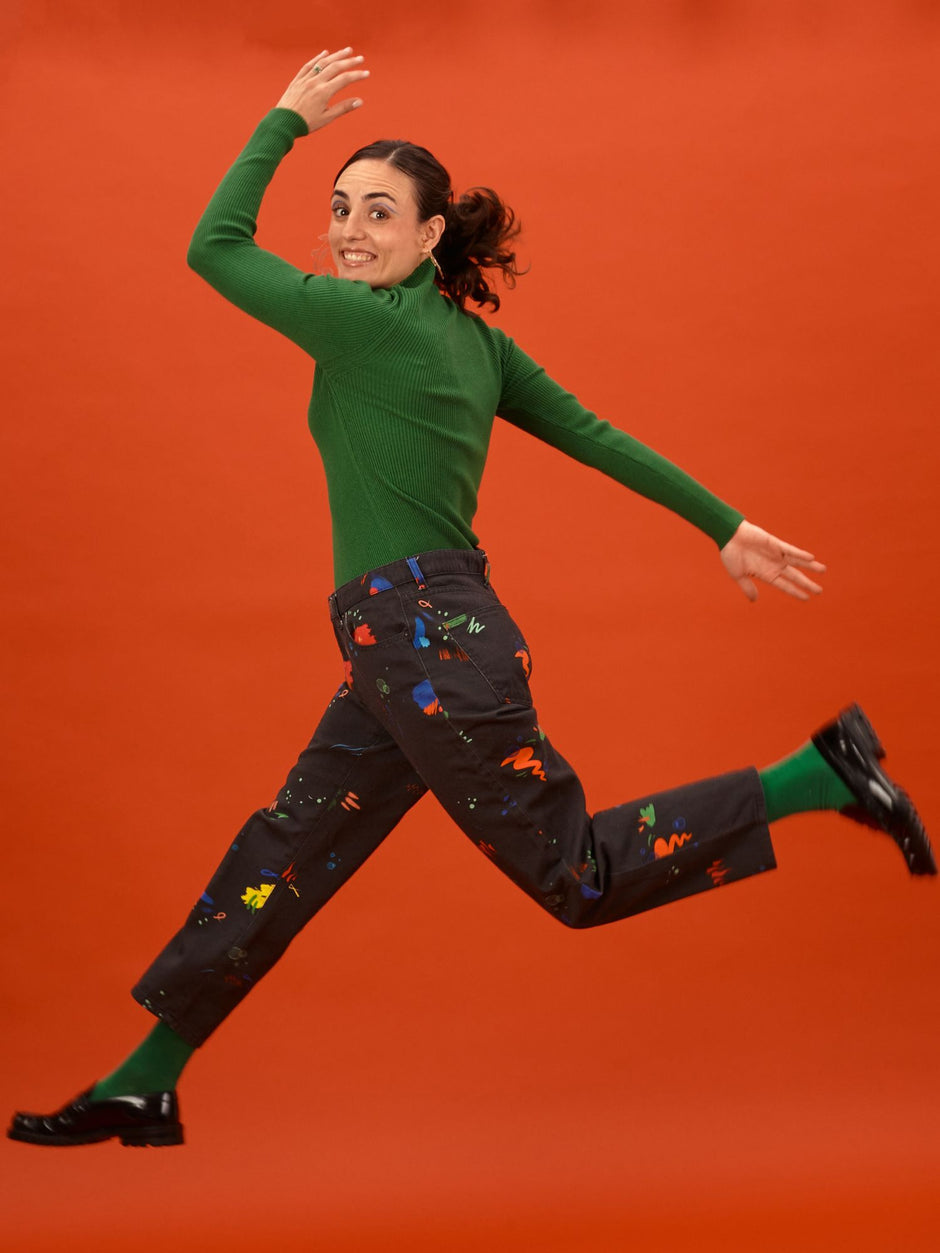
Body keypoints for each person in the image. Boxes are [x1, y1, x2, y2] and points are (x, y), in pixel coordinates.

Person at [9, 48, 934, 1150]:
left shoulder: (361, 321)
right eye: (340, 208)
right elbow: (594, 434)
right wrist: (723, 524)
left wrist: (285, 118)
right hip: (406, 650)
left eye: (379, 213)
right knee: (286, 853)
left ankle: (810, 775)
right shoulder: (476, 344)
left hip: (424, 646)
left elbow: (212, 246)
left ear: (430, 235)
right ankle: (146, 1077)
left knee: (576, 876)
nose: (351, 232)